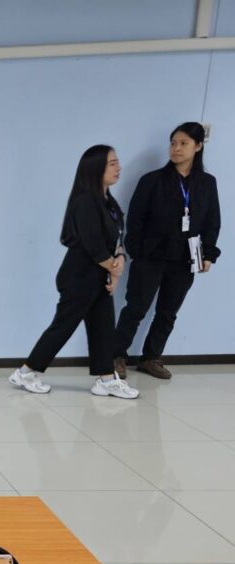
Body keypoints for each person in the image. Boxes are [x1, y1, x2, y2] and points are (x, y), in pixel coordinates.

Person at [10, 145, 139, 399]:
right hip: (80, 275)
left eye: (117, 162)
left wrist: (120, 259)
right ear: (95, 168)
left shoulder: (109, 202)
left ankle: (105, 379)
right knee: (64, 325)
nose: (118, 168)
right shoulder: (85, 202)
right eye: (112, 163)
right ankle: (26, 372)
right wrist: (114, 269)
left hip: (99, 274)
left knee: (103, 327)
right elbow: (93, 245)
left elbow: (117, 237)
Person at [113, 122, 222, 380]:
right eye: (173, 143)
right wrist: (137, 250)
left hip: (185, 259)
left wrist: (208, 254)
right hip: (151, 256)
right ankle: (115, 355)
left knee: (168, 312)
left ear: (198, 146)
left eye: (184, 143)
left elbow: (212, 220)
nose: (176, 149)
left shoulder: (207, 183)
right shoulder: (152, 180)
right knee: (136, 308)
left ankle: (151, 358)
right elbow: (135, 219)